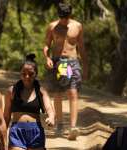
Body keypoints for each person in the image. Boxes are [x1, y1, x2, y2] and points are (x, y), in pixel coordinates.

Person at [42, 2, 88, 140]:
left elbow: (81, 47)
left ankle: (73, 127)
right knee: (58, 93)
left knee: (73, 92)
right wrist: (47, 57)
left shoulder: (77, 26)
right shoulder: (52, 27)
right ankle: (60, 125)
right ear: (58, 15)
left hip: (72, 63)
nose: (64, 20)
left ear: (70, 15)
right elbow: (46, 44)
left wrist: (86, 66)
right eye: (62, 17)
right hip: (58, 63)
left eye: (66, 17)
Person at [4, 54, 55, 150]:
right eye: (24, 73)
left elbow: (49, 108)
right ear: (20, 73)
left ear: (36, 74)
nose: (27, 77)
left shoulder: (41, 91)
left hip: (36, 132)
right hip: (17, 132)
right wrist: (2, 138)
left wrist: (51, 117)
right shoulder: (11, 91)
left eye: (31, 74)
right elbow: (6, 116)